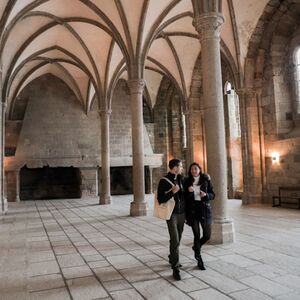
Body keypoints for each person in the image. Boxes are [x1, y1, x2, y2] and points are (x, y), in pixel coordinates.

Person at [157, 159, 185, 281]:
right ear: (174, 168)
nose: (182, 168)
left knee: (178, 238)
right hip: (172, 214)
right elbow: (160, 199)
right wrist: (172, 192)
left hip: (182, 213)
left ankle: (172, 257)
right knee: (175, 239)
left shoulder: (181, 178)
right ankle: (175, 267)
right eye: (180, 166)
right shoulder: (164, 181)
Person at [184, 162, 215, 270]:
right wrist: (188, 192)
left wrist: (206, 195)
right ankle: (199, 258)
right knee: (196, 235)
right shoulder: (186, 181)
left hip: (204, 210)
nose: (194, 170)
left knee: (207, 235)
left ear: (199, 170)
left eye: (196, 169)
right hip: (192, 210)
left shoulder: (206, 180)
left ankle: (196, 247)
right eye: (192, 169)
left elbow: (213, 195)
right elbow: (184, 197)